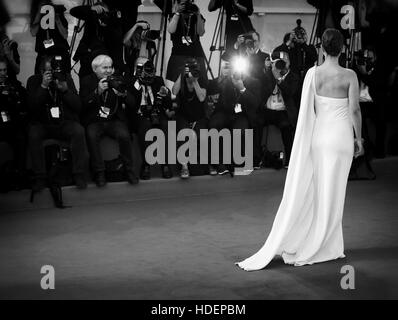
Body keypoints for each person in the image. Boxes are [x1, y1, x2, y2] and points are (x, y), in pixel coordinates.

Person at [236, 29, 364, 271]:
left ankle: (322, 240)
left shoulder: (313, 75)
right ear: (342, 48)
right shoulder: (350, 76)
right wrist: (360, 139)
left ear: (322, 49)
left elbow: (308, 112)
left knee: (318, 190)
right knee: (335, 192)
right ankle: (328, 244)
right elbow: (355, 110)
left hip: (319, 139)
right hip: (341, 139)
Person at [27, 55, 89, 192]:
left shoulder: (65, 78)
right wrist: (43, 86)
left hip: (63, 122)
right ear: (41, 71)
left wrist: (65, 90)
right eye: (49, 71)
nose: (53, 73)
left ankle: (79, 174)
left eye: (55, 69)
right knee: (33, 133)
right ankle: (40, 176)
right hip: (43, 124)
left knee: (78, 130)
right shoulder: (34, 81)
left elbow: (78, 106)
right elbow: (32, 107)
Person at [80, 55, 138, 187]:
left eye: (110, 67)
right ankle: (99, 172)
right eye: (104, 67)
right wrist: (97, 92)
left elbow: (132, 103)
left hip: (113, 120)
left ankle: (129, 170)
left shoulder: (117, 79)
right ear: (95, 69)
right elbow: (83, 104)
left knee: (124, 135)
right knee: (91, 135)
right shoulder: (87, 81)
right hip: (94, 120)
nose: (108, 70)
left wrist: (123, 94)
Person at [208, 52, 261, 175]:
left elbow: (255, 103)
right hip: (226, 111)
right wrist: (226, 80)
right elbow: (224, 102)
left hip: (243, 114)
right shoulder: (227, 81)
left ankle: (238, 162)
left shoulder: (254, 82)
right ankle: (218, 162)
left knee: (240, 129)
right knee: (214, 124)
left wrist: (242, 89)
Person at [127, 60, 173, 180]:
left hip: (156, 112)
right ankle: (146, 164)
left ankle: (165, 164)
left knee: (166, 126)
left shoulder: (158, 80)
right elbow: (131, 104)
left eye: (150, 70)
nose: (148, 74)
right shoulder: (131, 81)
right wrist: (138, 84)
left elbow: (168, 103)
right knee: (145, 127)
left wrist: (166, 94)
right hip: (140, 114)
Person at [255, 53, 300, 168]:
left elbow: (290, 93)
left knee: (286, 126)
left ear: (289, 62)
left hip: (283, 111)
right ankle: (256, 159)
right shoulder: (268, 75)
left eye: (285, 61)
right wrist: (270, 72)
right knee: (256, 122)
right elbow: (262, 92)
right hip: (268, 110)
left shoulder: (293, 77)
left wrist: (279, 79)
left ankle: (289, 160)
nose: (282, 64)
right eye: (279, 61)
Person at [70, 1, 125, 81]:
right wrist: (91, 8)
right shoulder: (91, 19)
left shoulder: (114, 22)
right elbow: (74, 11)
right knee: (87, 89)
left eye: (104, 13)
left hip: (109, 66)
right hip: (89, 65)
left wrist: (107, 24)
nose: (102, 15)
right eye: (100, 13)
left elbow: (117, 40)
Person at [172, 58, 208, 179]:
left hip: (198, 116)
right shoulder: (182, 78)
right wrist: (181, 75)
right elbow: (174, 91)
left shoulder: (202, 78)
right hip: (183, 114)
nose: (192, 72)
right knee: (183, 134)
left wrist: (195, 81)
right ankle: (184, 166)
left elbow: (202, 97)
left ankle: (206, 165)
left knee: (203, 135)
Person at [0, 57, 27, 189]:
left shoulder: (13, 85)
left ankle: (20, 176)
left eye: (4, 70)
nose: (2, 73)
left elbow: (23, 104)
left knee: (21, 137)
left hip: (12, 125)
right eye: (0, 70)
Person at [166, 0, 207, 84]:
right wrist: (177, 13)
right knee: (178, 83)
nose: (185, 7)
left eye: (188, 4)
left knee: (197, 82)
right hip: (178, 55)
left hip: (196, 55)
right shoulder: (174, 16)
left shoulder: (197, 16)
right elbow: (171, 30)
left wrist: (198, 14)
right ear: (177, 4)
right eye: (183, 4)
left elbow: (201, 32)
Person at [30, 0, 70, 75]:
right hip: (43, 54)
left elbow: (65, 35)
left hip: (59, 53)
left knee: (63, 79)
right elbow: (33, 32)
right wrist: (39, 12)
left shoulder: (57, 11)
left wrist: (56, 17)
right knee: (40, 78)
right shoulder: (37, 15)